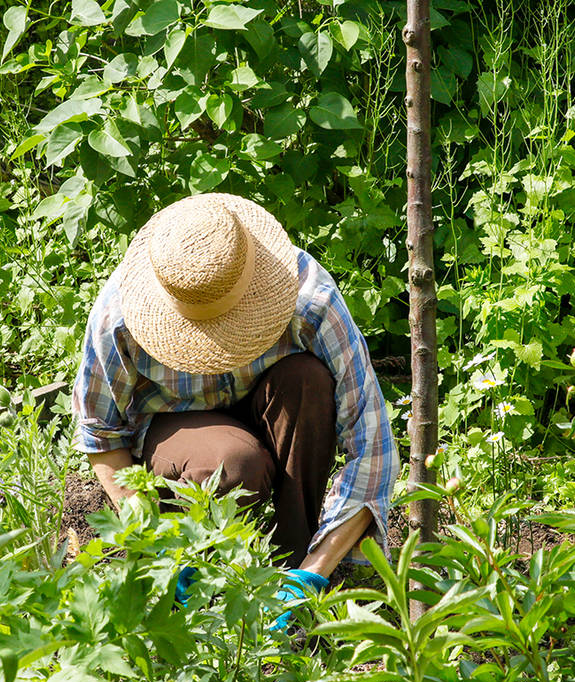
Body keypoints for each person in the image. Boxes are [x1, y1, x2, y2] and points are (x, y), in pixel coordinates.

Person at [72, 193, 399, 619]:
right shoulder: (120, 314)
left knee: (309, 381)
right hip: (179, 433)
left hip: (270, 406)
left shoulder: (308, 296)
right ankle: (202, 566)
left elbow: (373, 446)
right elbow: (100, 432)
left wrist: (315, 571)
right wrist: (154, 542)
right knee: (233, 463)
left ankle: (292, 564)